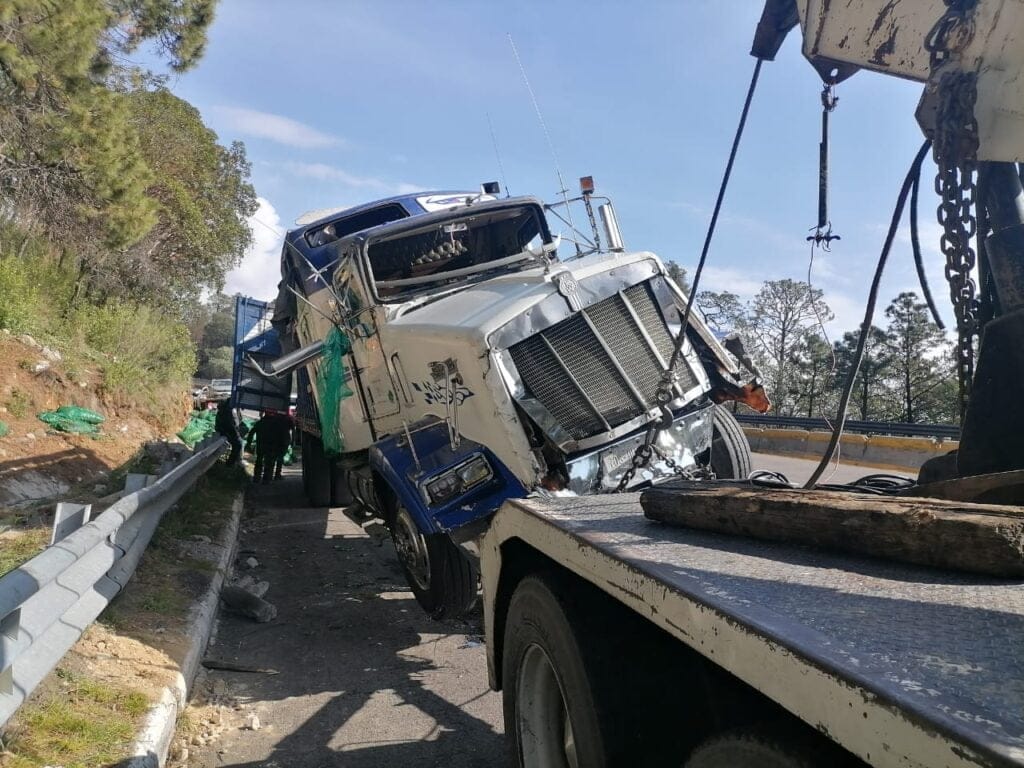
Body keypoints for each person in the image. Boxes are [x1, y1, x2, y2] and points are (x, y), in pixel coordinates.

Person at [246, 410, 292, 484]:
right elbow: (282, 435)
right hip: (271, 445)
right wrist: (282, 444)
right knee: (269, 462)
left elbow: (252, 432)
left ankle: (257, 477)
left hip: (261, 444)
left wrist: (249, 443)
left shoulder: (260, 422)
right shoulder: (276, 424)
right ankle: (266, 479)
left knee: (259, 460)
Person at [215, 398, 242, 465]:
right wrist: (236, 433)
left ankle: (235, 460)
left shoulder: (225, 409)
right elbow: (230, 426)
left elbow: (233, 423)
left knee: (238, 441)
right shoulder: (227, 411)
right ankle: (231, 463)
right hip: (224, 432)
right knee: (238, 444)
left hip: (222, 430)